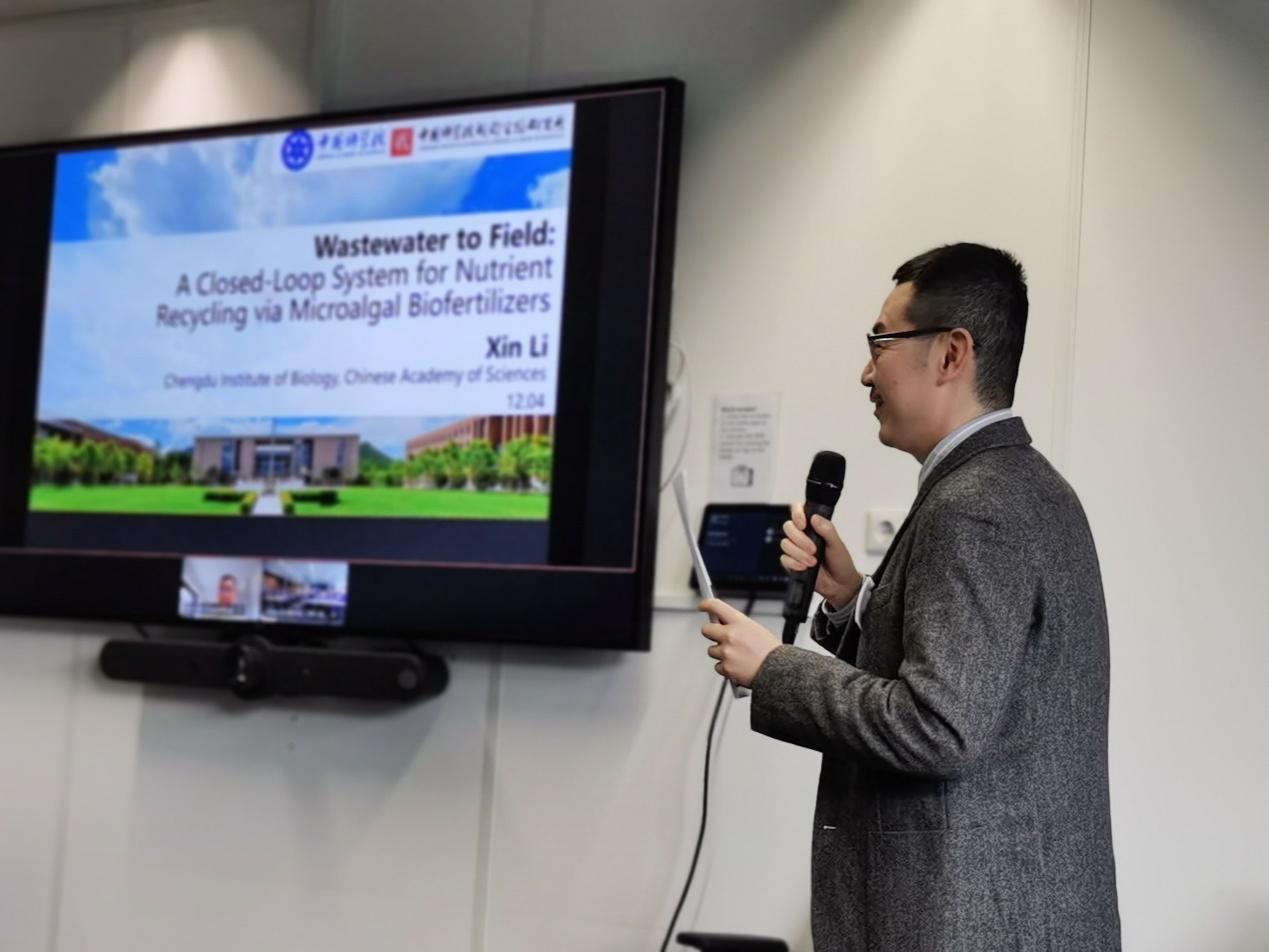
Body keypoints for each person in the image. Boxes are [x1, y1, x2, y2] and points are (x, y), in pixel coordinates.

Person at [699, 243, 1121, 950]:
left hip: (968, 925)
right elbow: (979, 686)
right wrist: (851, 601)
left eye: (881, 343)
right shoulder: (1023, 485)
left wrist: (773, 669)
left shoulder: (975, 505)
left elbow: (938, 725)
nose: (866, 372)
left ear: (951, 354)